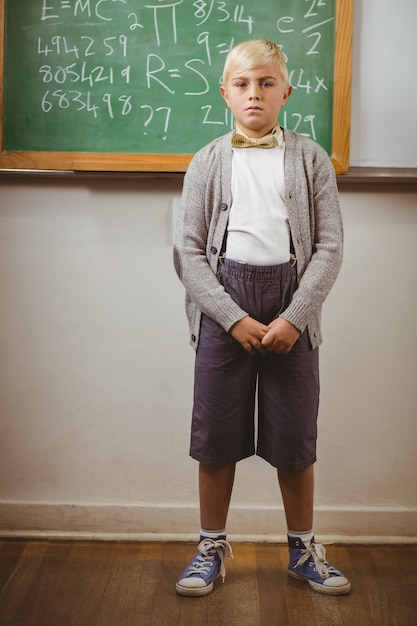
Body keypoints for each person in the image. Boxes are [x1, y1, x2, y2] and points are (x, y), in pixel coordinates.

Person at [173, 38, 350, 597]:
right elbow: (189, 253)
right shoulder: (207, 161)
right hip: (224, 316)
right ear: (225, 92)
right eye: (243, 84)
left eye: (266, 83)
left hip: (291, 314)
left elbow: (329, 248)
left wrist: (296, 317)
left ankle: (302, 549)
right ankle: (210, 546)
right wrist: (231, 318)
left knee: (295, 436)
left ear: (286, 92)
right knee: (217, 436)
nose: (255, 93)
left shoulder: (310, 158)